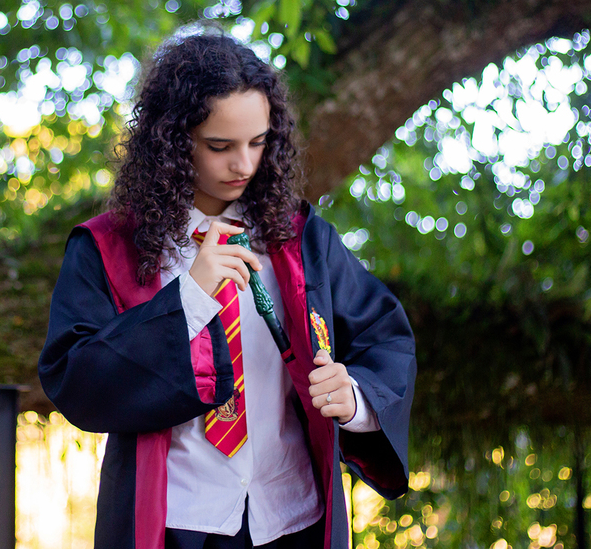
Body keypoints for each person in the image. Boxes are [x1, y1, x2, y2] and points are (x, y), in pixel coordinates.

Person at [38, 32, 416, 549]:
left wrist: (354, 399)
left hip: (290, 518)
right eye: (220, 146)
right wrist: (190, 297)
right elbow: (73, 378)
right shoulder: (108, 248)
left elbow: (385, 337)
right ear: (172, 141)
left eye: (258, 143)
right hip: (173, 522)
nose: (244, 164)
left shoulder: (302, 240)